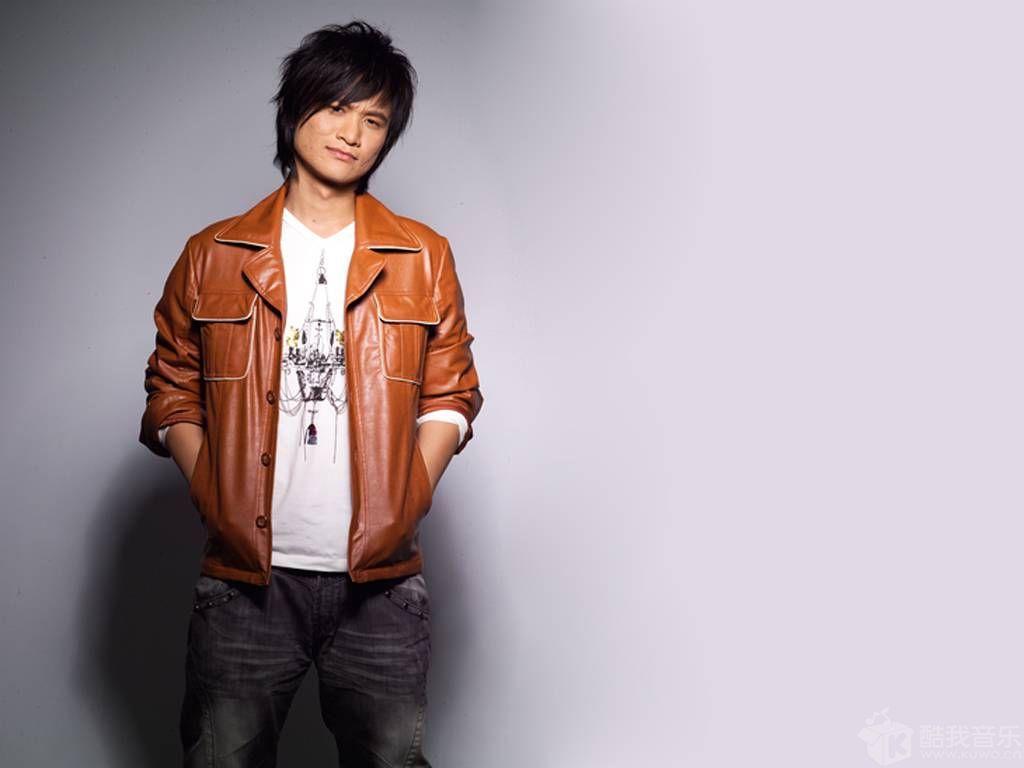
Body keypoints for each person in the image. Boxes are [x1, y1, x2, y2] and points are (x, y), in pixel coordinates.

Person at [138, 20, 484, 767]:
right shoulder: (214, 254)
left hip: (381, 588)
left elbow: (451, 390)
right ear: (296, 108)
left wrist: (411, 494)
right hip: (244, 585)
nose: (352, 133)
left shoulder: (423, 256)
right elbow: (172, 383)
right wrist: (210, 487)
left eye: (374, 121)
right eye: (337, 107)